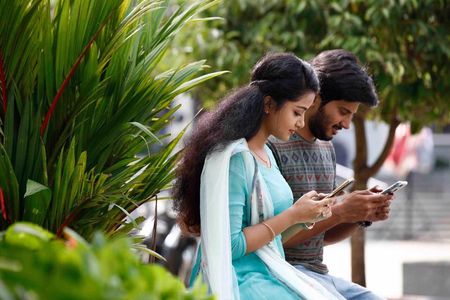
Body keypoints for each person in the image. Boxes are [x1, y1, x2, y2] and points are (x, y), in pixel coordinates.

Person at [173, 53, 341, 299]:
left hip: (268, 272)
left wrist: (304, 217)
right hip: (239, 280)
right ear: (269, 104)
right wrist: (293, 214)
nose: (301, 122)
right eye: (297, 112)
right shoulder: (234, 160)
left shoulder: (267, 155)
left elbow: (270, 240)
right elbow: (229, 246)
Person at [268, 49, 394, 300]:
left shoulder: (327, 148)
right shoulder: (272, 145)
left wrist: (357, 215)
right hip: (278, 273)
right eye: (343, 112)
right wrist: (340, 211)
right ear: (316, 98)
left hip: (316, 274)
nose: (346, 125)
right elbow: (267, 240)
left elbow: (317, 238)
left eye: (352, 116)